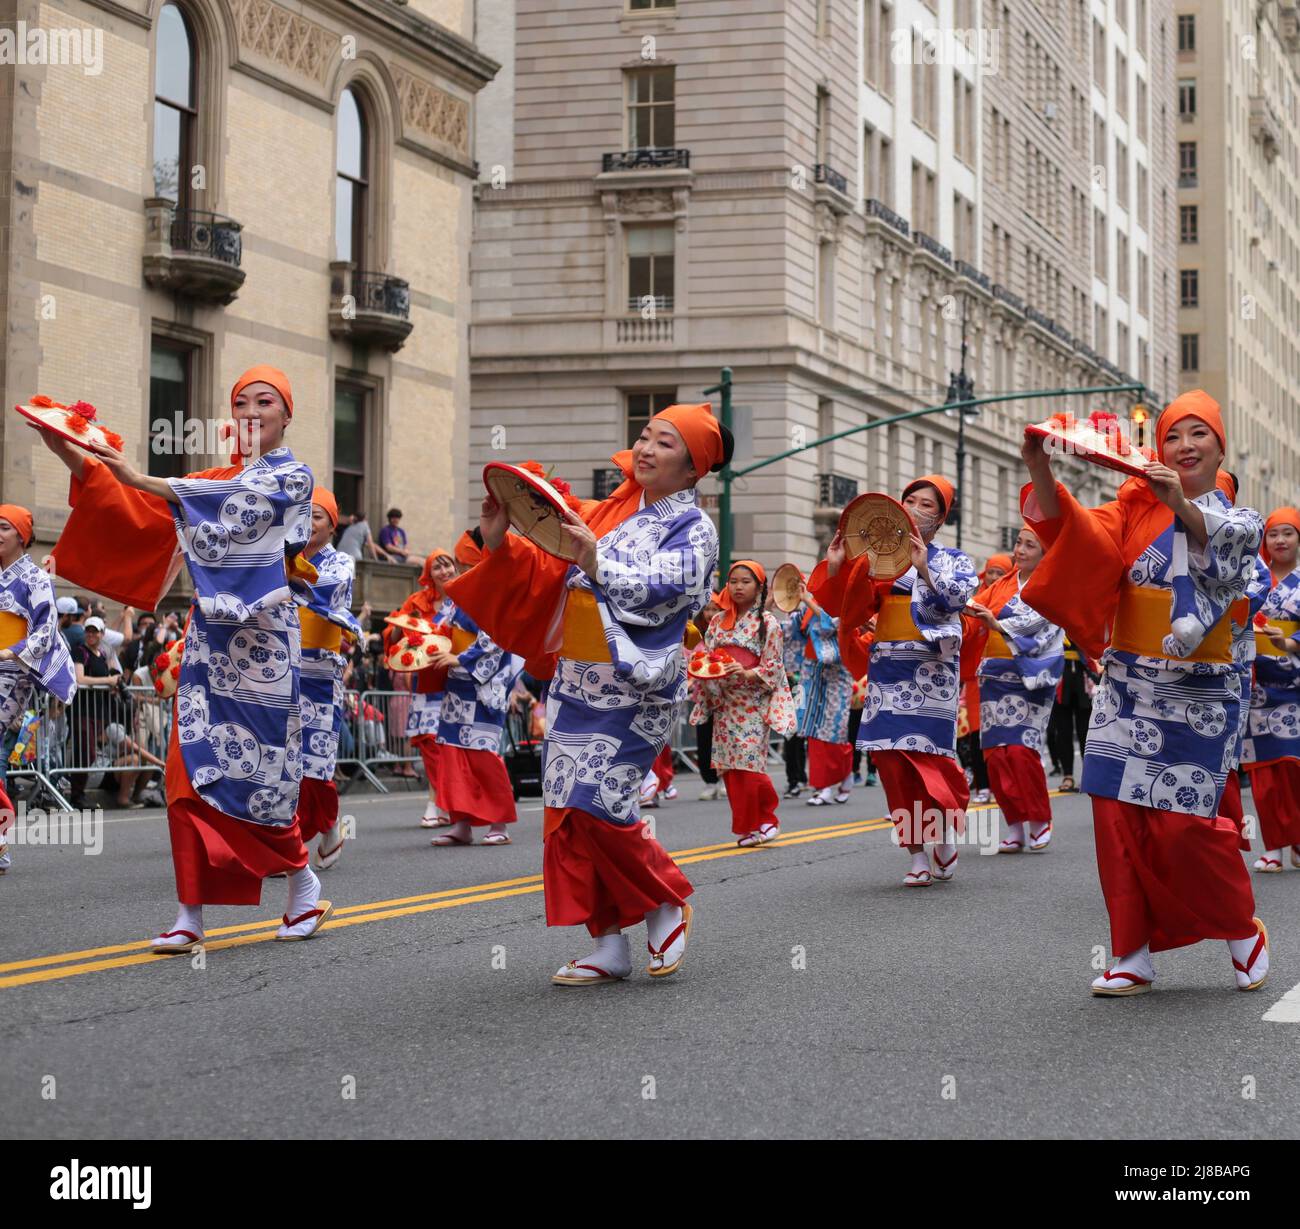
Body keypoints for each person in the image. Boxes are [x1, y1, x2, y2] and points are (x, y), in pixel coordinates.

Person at [39, 365, 332, 951]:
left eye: (265, 400)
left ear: (286, 415)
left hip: (265, 652)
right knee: (186, 776)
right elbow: (138, 511)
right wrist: (78, 456)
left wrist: (141, 475)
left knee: (257, 776)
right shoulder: (210, 478)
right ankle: (189, 915)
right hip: (207, 648)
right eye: (241, 401)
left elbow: (236, 505)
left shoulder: (291, 478)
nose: (252, 409)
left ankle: (302, 881)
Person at [447, 402, 727, 984]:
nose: (647, 449)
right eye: (646, 436)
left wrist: (597, 562)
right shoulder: (608, 513)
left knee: (600, 799)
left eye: (666, 444)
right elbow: (548, 573)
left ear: (695, 466)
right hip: (576, 681)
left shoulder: (694, 527)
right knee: (565, 812)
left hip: (638, 687)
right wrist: (496, 540)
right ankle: (606, 941)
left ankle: (663, 898)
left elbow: (666, 591)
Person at [1020, 389, 1269, 995]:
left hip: (1203, 690)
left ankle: (1240, 927)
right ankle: (1131, 951)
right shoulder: (1134, 504)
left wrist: (1178, 502)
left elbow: (1236, 562)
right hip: (1129, 684)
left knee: (1183, 825)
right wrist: (1039, 466)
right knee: (1114, 817)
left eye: (1198, 435)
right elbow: (1072, 534)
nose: (1185, 446)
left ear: (1219, 446)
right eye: (1173, 437)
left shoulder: (1235, 517)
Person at [809, 474, 978, 887]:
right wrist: (837, 566)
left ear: (939, 520)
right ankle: (916, 851)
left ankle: (942, 829)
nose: (916, 508)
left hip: (932, 671)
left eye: (927, 505)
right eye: (910, 500)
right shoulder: (877, 560)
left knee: (929, 757)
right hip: (887, 667)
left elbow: (958, 599)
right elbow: (844, 611)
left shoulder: (954, 558)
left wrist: (923, 569)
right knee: (889, 759)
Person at [964, 527, 1065, 853]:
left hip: (1031, 677)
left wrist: (998, 624)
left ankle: (1038, 819)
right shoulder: (1001, 586)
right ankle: (1014, 825)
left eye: (1030, 545)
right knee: (996, 755)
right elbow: (972, 613)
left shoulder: (1052, 585)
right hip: (995, 674)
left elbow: (1042, 625)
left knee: (1021, 751)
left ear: (1045, 552)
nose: (1020, 550)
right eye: (1019, 543)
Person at [427, 530, 522, 848]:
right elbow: (442, 628)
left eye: (467, 565)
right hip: (457, 686)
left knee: (483, 755)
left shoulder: (493, 593)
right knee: (453, 754)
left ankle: (499, 822)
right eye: (462, 565)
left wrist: (460, 658)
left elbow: (494, 638)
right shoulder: (457, 598)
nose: (463, 571)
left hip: (482, 685)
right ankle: (462, 822)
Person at [690, 560, 795, 845]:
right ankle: (749, 825)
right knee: (728, 766)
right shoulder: (716, 621)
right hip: (724, 699)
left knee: (749, 763)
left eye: (745, 581)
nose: (738, 586)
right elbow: (708, 656)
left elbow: (774, 666)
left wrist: (748, 672)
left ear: (760, 587)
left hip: (752, 701)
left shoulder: (768, 623)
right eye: (733, 581)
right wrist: (706, 670)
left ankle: (767, 819)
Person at [0, 504, 77, 873]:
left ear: (22, 536)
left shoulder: (35, 578)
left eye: (4, 527)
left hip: (13, 673)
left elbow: (45, 630)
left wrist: (10, 650)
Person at [293, 488, 363, 871]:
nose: (309, 522)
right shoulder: (284, 556)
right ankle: (287, 844)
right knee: (280, 763)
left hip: (319, 674)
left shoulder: (341, 563)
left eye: (317, 516)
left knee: (316, 764)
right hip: (279, 672)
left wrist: (279, 578)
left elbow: (320, 591)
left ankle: (330, 826)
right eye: (305, 514)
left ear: (333, 525)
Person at [1241, 506, 1300, 873]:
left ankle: (1297, 839)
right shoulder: (1252, 576)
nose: (1279, 540)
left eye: (1287, 533)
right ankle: (1273, 847)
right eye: (1273, 534)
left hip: (1294, 691)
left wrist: (1291, 644)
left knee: (1293, 770)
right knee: (1263, 775)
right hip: (1256, 689)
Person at [390, 547, 457, 826]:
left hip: (457, 681)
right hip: (427, 682)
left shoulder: (464, 597)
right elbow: (394, 633)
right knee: (430, 746)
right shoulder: (417, 601)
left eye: (448, 565)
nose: (444, 571)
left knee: (452, 749)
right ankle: (435, 801)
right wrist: (398, 627)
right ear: (428, 574)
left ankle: (451, 804)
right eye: (437, 567)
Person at [794, 586, 856, 807]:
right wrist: (775, 601)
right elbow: (791, 631)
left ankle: (845, 773)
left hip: (837, 674)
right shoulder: (808, 609)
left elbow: (837, 624)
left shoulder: (845, 603)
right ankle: (823, 787)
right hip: (812, 672)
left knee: (834, 731)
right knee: (813, 732)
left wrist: (809, 602)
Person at [961, 554, 1009, 803]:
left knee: (999, 732)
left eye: (1000, 574)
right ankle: (983, 786)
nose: (993, 578)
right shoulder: (974, 602)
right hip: (974, 677)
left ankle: (1001, 785)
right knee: (977, 730)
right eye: (991, 572)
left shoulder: (1012, 601)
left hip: (1002, 676)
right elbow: (964, 631)